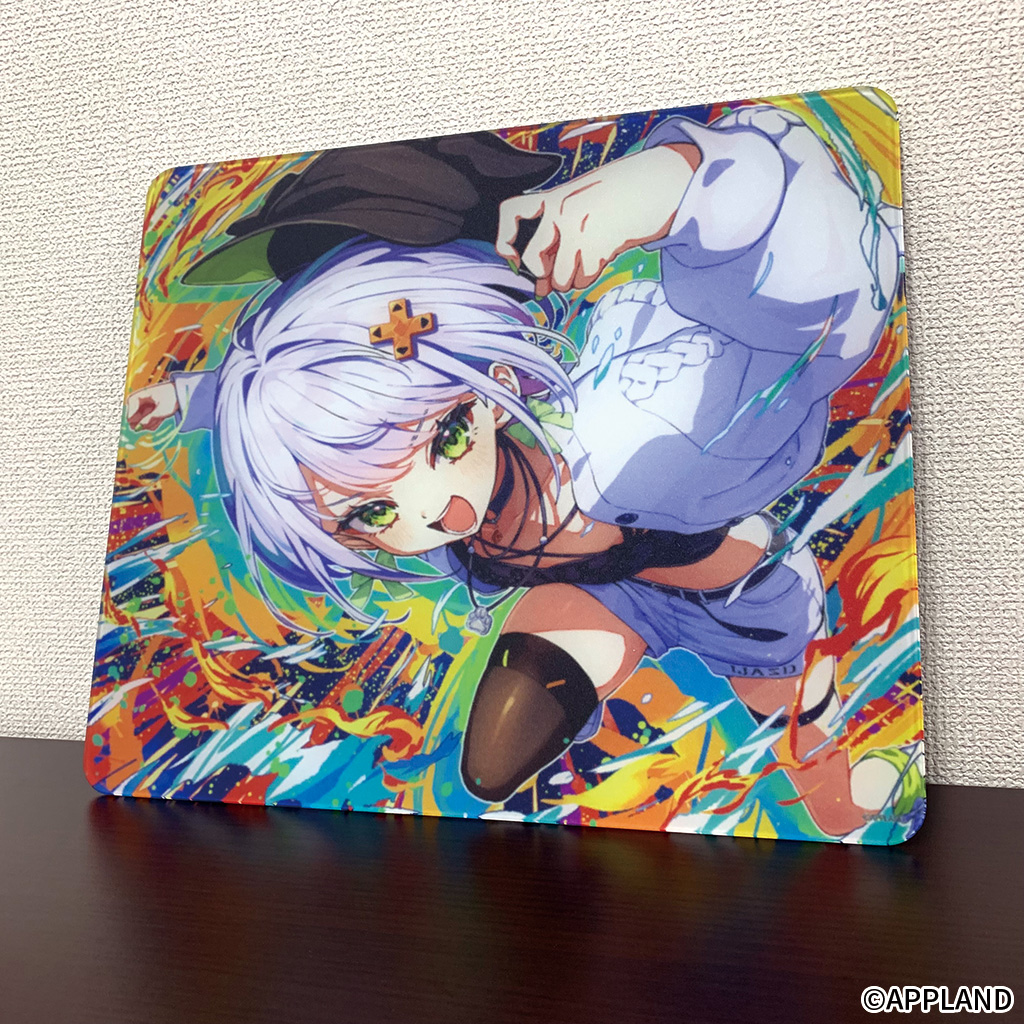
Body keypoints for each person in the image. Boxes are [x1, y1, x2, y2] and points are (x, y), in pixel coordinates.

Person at [128, 105, 907, 836]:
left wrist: (667, 188)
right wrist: (200, 398)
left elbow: (816, 313)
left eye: (447, 436)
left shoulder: (643, 432)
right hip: (597, 600)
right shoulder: (437, 498)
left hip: (739, 596)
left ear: (494, 385)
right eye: (371, 513)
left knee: (818, 780)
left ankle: (840, 795)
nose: (432, 511)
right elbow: (319, 417)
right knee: (495, 761)